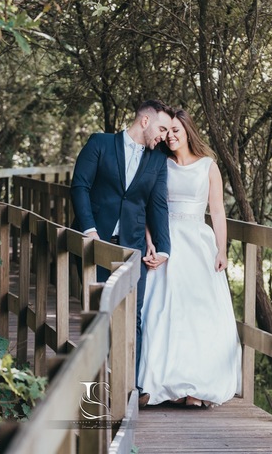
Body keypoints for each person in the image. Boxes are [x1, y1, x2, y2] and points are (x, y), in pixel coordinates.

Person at [70, 100, 174, 404]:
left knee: (133, 315)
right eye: (162, 128)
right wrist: (88, 230)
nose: (165, 136)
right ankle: (95, 395)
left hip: (133, 249)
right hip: (96, 243)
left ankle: (130, 388)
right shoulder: (100, 143)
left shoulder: (157, 161)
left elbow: (158, 205)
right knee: (99, 314)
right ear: (144, 121)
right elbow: (80, 186)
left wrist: (164, 248)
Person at [138, 108, 242, 408]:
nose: (170, 136)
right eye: (167, 131)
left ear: (187, 132)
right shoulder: (160, 163)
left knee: (200, 314)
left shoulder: (208, 166)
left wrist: (222, 249)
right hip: (167, 241)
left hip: (197, 243)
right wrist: (150, 243)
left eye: (176, 131)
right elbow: (149, 206)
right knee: (163, 312)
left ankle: (197, 387)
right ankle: (165, 383)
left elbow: (218, 210)